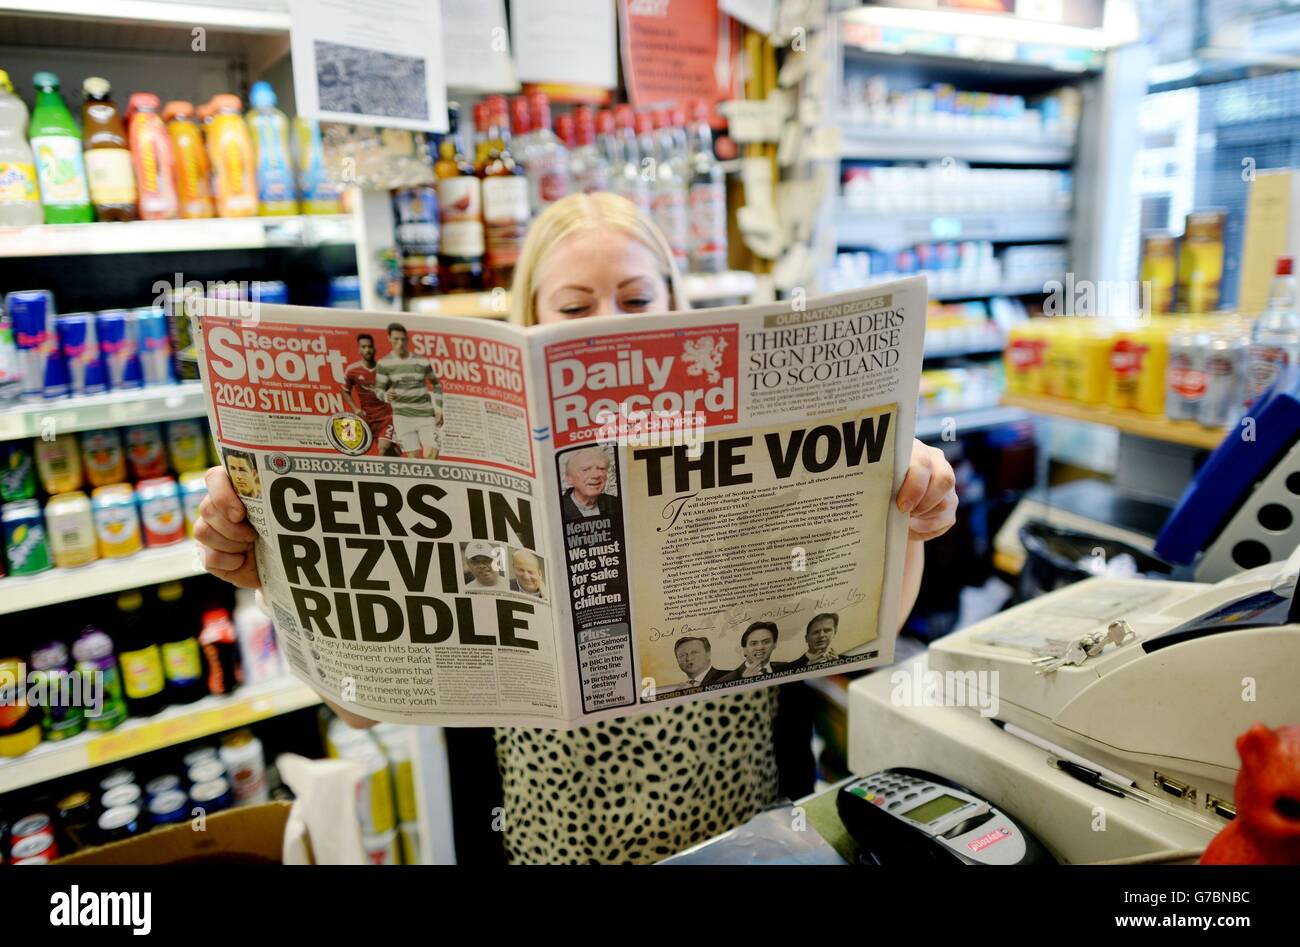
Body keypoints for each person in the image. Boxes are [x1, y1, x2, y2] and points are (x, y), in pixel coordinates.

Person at [193, 192, 959, 863]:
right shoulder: (467, 466)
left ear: (679, 309)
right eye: (572, 308)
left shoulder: (745, 446)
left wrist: (910, 514)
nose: (606, 326)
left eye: (635, 300)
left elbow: (870, 625)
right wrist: (277, 569)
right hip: (557, 837)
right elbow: (362, 705)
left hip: (740, 827)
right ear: (529, 322)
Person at [376, 322, 443, 460]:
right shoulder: (384, 363)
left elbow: (436, 385)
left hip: (425, 415)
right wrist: (384, 395)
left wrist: (439, 409)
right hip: (402, 418)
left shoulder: (421, 361)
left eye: (403, 339)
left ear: (407, 339)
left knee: (431, 455)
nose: (400, 343)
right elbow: (379, 390)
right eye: (396, 339)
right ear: (389, 338)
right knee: (414, 459)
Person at [340, 332, 398, 456]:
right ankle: (396, 452)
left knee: (383, 449)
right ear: (359, 350)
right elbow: (345, 391)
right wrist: (355, 409)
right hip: (366, 418)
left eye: (370, 347)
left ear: (374, 348)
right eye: (364, 347)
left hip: (386, 418)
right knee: (347, 445)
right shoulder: (352, 370)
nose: (367, 350)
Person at [559, 447, 618, 520]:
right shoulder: (558, 509)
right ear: (569, 478)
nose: (595, 475)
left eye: (601, 468)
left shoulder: (615, 504)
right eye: (585, 470)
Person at [662, 636, 729, 692]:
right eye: (682, 655)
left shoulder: (729, 677)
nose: (688, 658)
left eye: (694, 652)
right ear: (677, 660)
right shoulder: (675, 689)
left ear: (708, 654)